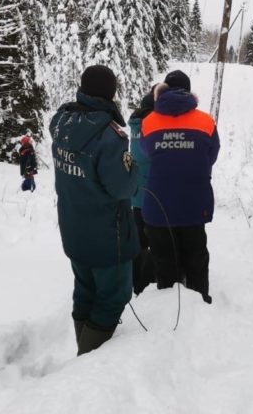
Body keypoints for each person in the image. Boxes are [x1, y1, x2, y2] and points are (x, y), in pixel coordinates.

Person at [50, 64, 140, 355]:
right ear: (110, 93)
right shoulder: (108, 137)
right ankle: (88, 360)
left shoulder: (63, 123)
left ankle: (84, 352)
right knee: (114, 296)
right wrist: (133, 169)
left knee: (86, 289)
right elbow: (123, 188)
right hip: (106, 235)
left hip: (74, 228)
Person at [140, 70, 220, 303]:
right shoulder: (206, 121)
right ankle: (200, 305)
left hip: (157, 204)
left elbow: (147, 153)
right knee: (196, 258)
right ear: (188, 90)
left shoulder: (149, 121)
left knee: (164, 262)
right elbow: (211, 156)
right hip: (194, 203)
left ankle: (170, 315)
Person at [128, 87, 157, 295]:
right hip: (153, 194)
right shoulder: (152, 126)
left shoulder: (135, 126)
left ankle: (134, 281)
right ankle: (146, 284)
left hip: (137, 193)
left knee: (138, 242)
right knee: (154, 241)